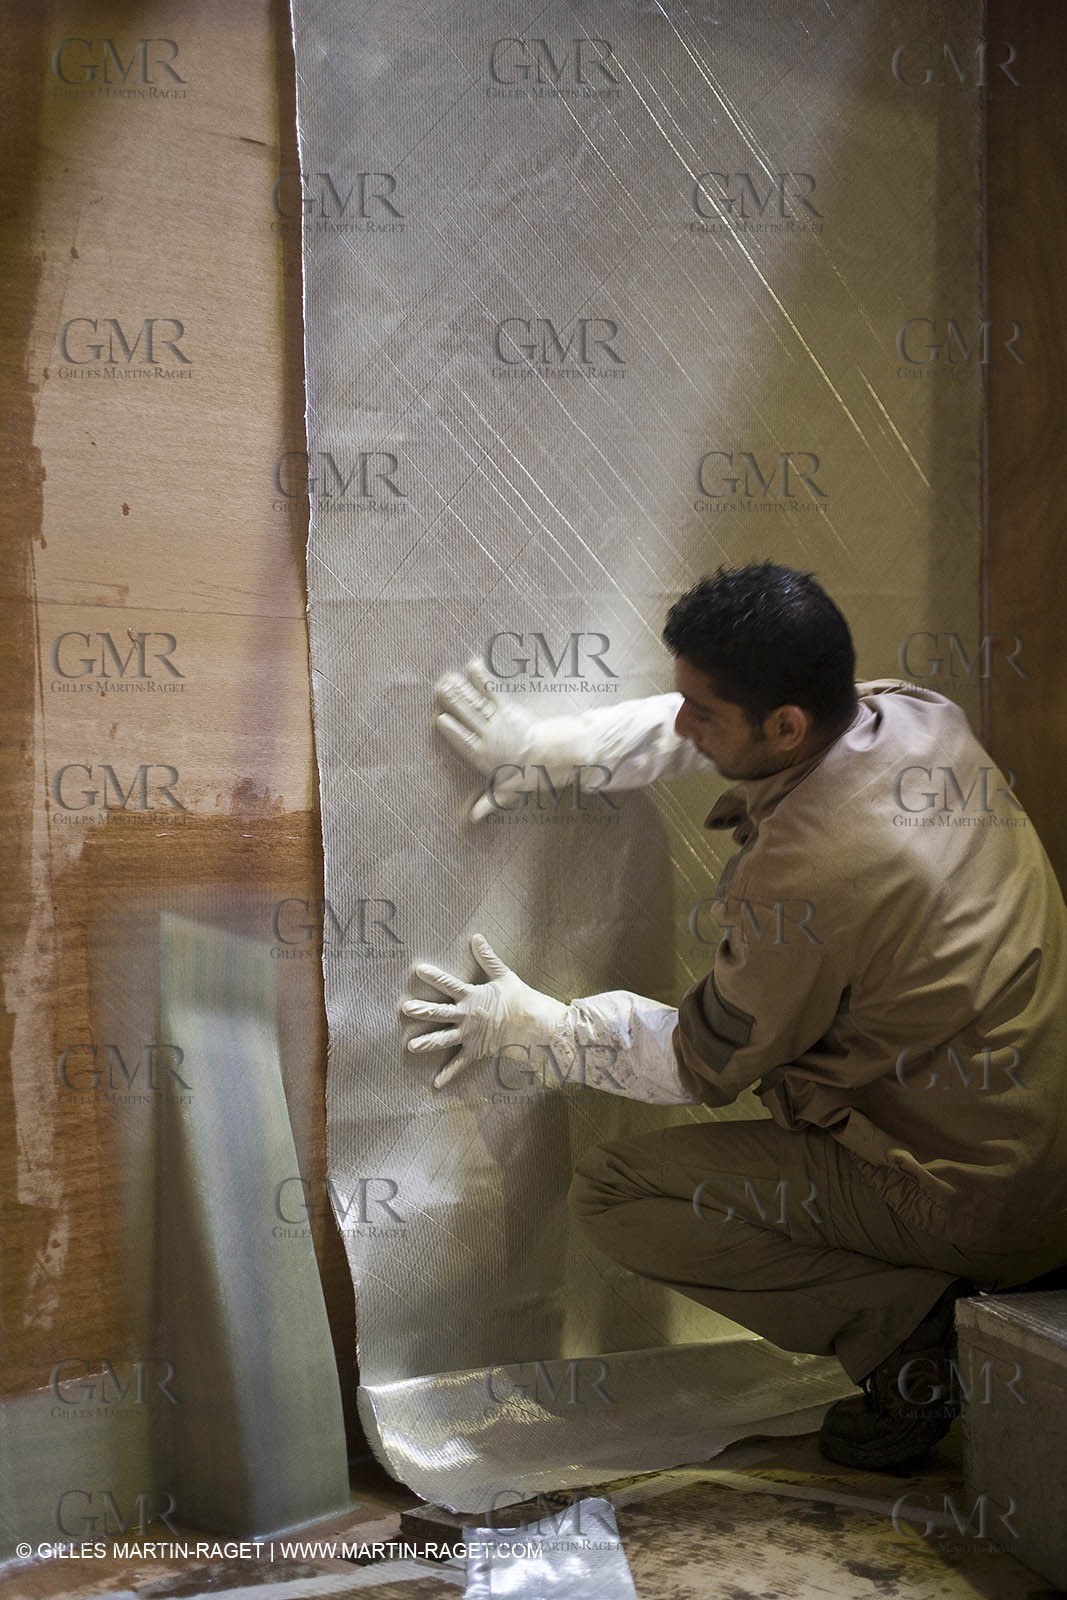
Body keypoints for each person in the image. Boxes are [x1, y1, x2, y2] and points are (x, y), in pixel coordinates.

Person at [400, 561, 1067, 1471]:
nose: (682, 726)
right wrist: (556, 747)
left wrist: (542, 1029)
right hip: (1039, 1156)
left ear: (787, 723)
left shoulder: (810, 871)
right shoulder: (914, 716)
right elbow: (715, 735)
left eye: (702, 712)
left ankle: (908, 1337)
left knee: (616, 1191)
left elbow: (699, 1065)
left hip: (974, 1199)